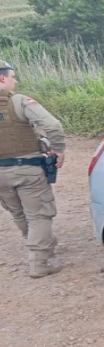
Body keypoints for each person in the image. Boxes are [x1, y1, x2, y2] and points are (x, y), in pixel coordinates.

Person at [0, 60, 65, 278]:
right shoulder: (18, 102)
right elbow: (53, 125)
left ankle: (43, 243)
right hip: (26, 169)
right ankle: (39, 262)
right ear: (2, 78)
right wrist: (59, 149)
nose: (15, 81)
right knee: (39, 216)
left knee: (18, 213)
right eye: (12, 76)